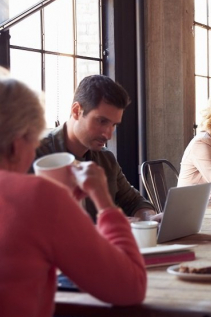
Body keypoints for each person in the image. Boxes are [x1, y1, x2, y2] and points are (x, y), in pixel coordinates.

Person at [0, 74, 146, 316]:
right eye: (33, 141)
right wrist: (106, 205)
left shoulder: (104, 159)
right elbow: (132, 288)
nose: (108, 133)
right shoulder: (37, 194)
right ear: (18, 143)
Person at [35, 75, 157, 222]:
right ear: (76, 111)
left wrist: (150, 219)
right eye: (102, 121)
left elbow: (134, 202)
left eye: (114, 125)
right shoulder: (35, 154)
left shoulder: (107, 159)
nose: (108, 135)